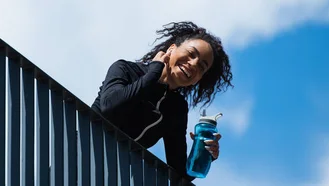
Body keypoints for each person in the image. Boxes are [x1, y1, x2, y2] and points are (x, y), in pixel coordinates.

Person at [91, 21, 234, 184]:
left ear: (198, 79)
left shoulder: (177, 108)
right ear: (171, 49)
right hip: (77, 151)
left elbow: (179, 173)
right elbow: (110, 107)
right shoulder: (125, 69)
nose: (194, 64)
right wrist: (154, 72)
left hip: (113, 176)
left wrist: (204, 154)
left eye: (202, 67)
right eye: (191, 53)